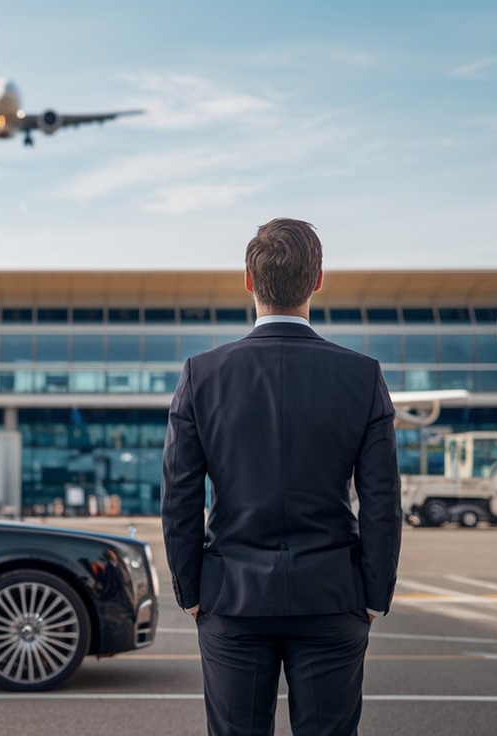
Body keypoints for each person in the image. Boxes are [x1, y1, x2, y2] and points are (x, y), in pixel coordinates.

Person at [161, 218, 401, 735]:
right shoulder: (362, 376)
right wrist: (375, 591)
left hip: (231, 597)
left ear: (249, 281)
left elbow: (179, 493)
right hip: (333, 593)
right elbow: (382, 500)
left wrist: (190, 589)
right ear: (318, 280)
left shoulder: (202, 375)